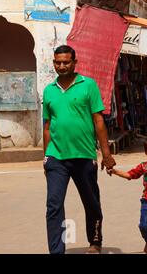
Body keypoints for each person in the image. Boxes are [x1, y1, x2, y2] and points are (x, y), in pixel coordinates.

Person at [42, 45, 116, 254]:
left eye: (66, 62)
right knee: (53, 205)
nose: (62, 66)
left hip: (84, 155)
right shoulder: (49, 90)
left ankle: (95, 241)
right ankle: (56, 250)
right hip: (56, 156)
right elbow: (47, 126)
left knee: (91, 202)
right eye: (58, 62)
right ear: (54, 63)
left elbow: (98, 121)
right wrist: (45, 158)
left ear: (75, 62)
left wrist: (106, 154)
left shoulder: (88, 85)